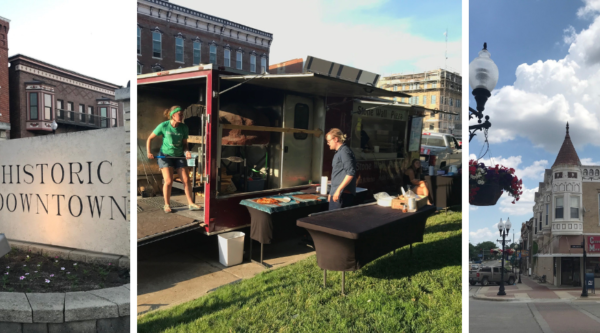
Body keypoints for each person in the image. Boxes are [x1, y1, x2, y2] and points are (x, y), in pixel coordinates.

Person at [146, 105, 201, 213]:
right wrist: (149, 152)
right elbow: (149, 139)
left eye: (182, 115)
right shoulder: (164, 126)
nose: (181, 117)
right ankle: (166, 205)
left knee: (186, 180)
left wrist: (187, 151)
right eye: (180, 115)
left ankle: (191, 203)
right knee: (169, 181)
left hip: (179, 155)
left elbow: (185, 144)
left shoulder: (184, 127)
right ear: (173, 115)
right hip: (165, 156)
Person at [326, 128, 357, 210]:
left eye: (329, 141)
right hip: (336, 193)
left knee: (337, 221)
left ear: (336, 139)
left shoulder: (344, 152)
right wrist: (331, 192)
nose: (327, 143)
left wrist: (338, 190)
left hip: (342, 195)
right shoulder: (339, 152)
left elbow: (350, 173)